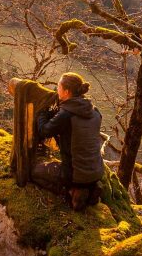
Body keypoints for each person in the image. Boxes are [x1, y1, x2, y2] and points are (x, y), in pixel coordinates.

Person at [33, 72, 105, 211]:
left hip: (73, 174)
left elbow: (44, 131)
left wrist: (43, 113)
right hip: (96, 172)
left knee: (34, 172)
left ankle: (70, 191)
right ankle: (89, 188)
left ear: (66, 92)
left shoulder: (66, 115)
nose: (56, 89)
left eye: (58, 86)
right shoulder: (95, 111)